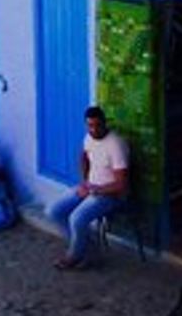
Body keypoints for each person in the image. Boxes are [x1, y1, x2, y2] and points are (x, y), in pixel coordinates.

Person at [46, 105, 129, 269]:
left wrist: (97, 190)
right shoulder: (89, 138)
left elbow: (121, 184)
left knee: (77, 218)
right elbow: (83, 157)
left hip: (109, 195)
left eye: (98, 125)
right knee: (53, 211)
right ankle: (88, 249)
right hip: (90, 188)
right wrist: (84, 181)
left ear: (105, 123)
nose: (94, 129)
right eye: (90, 125)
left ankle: (74, 256)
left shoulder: (115, 145)